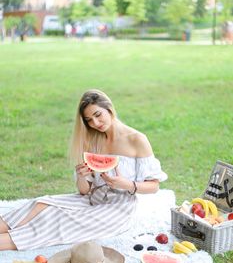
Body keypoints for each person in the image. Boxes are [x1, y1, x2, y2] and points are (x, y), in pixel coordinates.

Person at [0, 89, 167, 251]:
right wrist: (81, 176)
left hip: (117, 209)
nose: (95, 123)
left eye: (98, 115)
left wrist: (126, 184)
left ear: (109, 108)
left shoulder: (137, 139)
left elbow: (154, 186)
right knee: (41, 204)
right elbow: (83, 191)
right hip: (91, 199)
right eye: (89, 120)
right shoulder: (93, 139)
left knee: (58, 220)